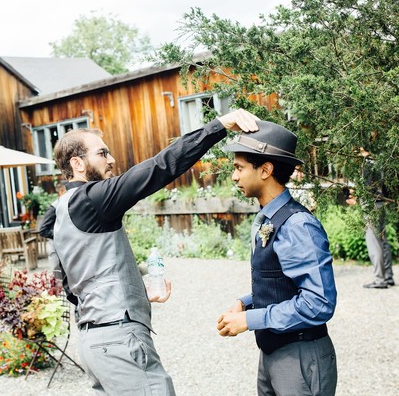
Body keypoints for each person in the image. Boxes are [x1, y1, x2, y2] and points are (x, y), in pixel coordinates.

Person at [52, 109, 259, 395]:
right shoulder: (93, 199)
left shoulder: (60, 210)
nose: (111, 160)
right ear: (77, 163)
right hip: (118, 340)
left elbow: (70, 283)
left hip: (92, 344)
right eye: (102, 153)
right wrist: (219, 125)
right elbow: (160, 167)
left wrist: (131, 293)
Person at [217, 121, 337, 396]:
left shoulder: (298, 225)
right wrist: (245, 303)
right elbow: (282, 281)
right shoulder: (267, 217)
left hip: (300, 356)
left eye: (239, 168)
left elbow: (319, 303)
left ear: (266, 170)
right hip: (272, 353)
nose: (234, 177)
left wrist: (251, 319)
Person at [347, 148, 395, 289]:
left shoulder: (365, 163)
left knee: (373, 242)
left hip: (371, 205)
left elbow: (367, 188)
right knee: (382, 241)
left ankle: (380, 280)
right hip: (381, 203)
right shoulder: (378, 161)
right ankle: (388, 277)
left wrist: (356, 198)